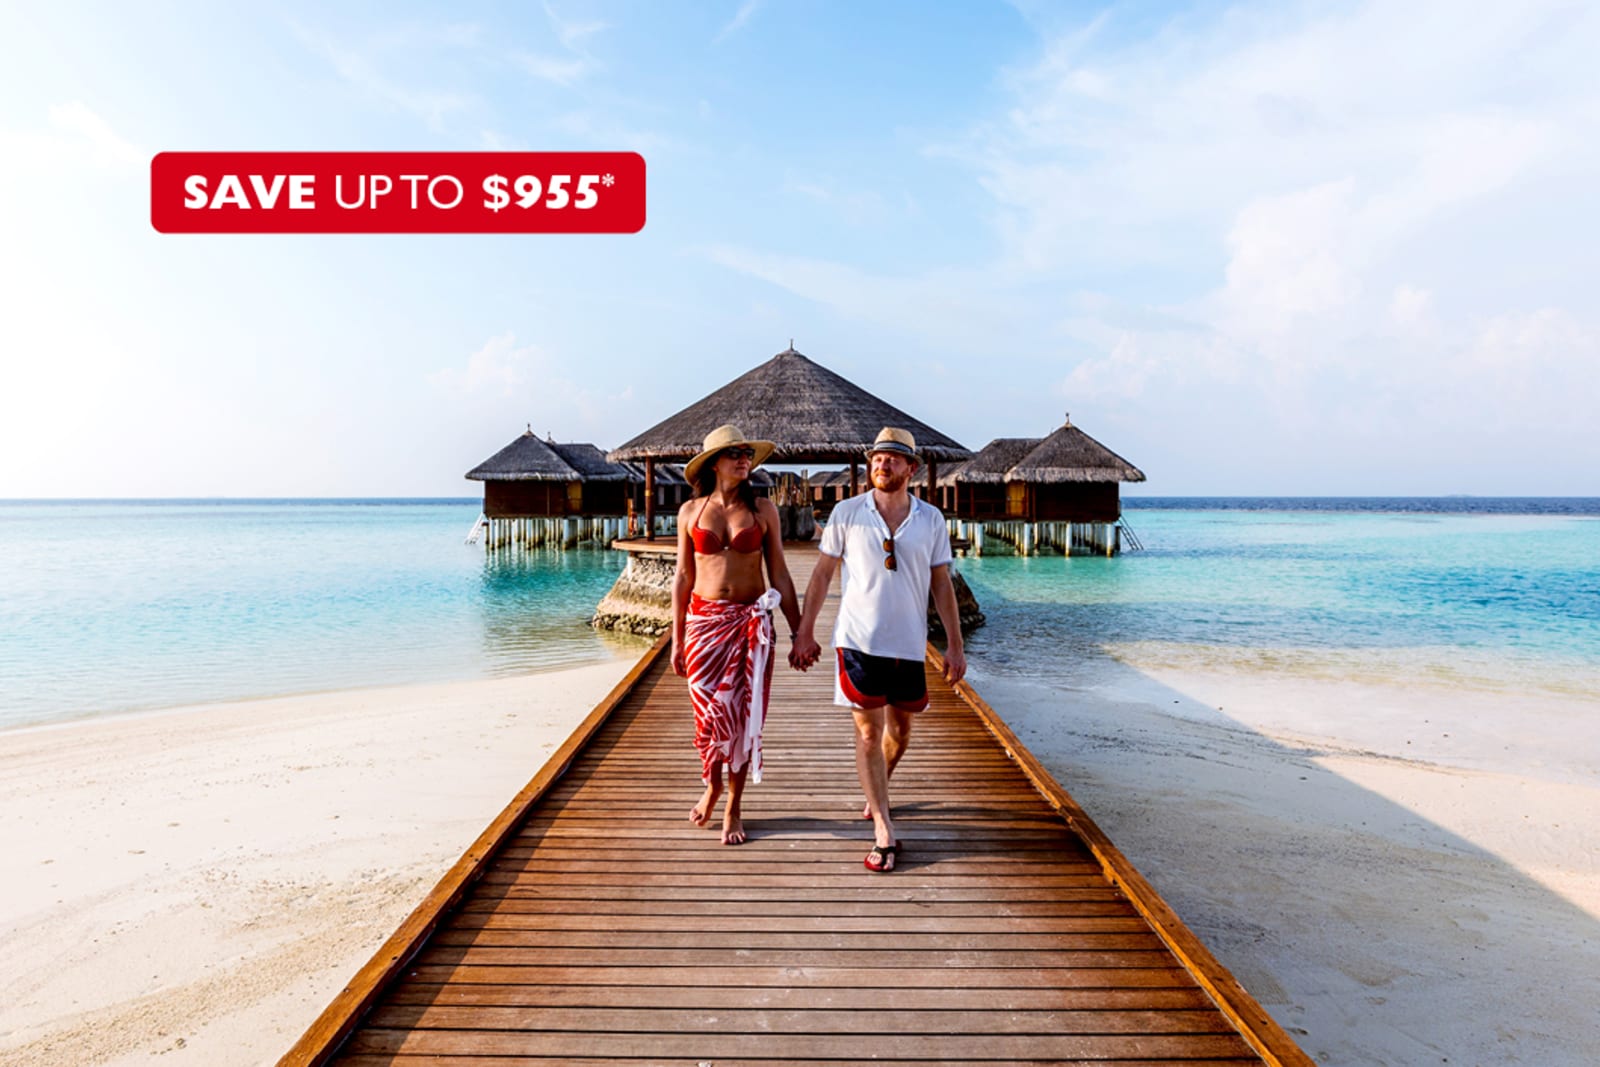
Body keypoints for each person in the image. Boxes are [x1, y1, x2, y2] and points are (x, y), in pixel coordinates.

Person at [790, 427, 966, 872]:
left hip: (908, 644)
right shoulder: (847, 513)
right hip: (857, 642)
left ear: (911, 468)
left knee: (900, 734)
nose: (882, 465)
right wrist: (805, 631)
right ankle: (884, 829)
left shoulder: (930, 520)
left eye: (892, 459)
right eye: (876, 458)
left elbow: (942, 583)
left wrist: (956, 646)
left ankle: (877, 790)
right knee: (868, 733)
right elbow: (823, 575)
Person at [672, 424, 803, 845]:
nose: (744, 459)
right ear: (714, 463)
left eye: (747, 453)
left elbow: (779, 572)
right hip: (703, 628)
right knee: (708, 719)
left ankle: (733, 804)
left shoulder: (763, 510)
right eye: (734, 453)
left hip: (750, 630)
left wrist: (800, 631)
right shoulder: (690, 512)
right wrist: (676, 638)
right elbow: (682, 577)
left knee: (744, 719)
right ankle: (710, 784)